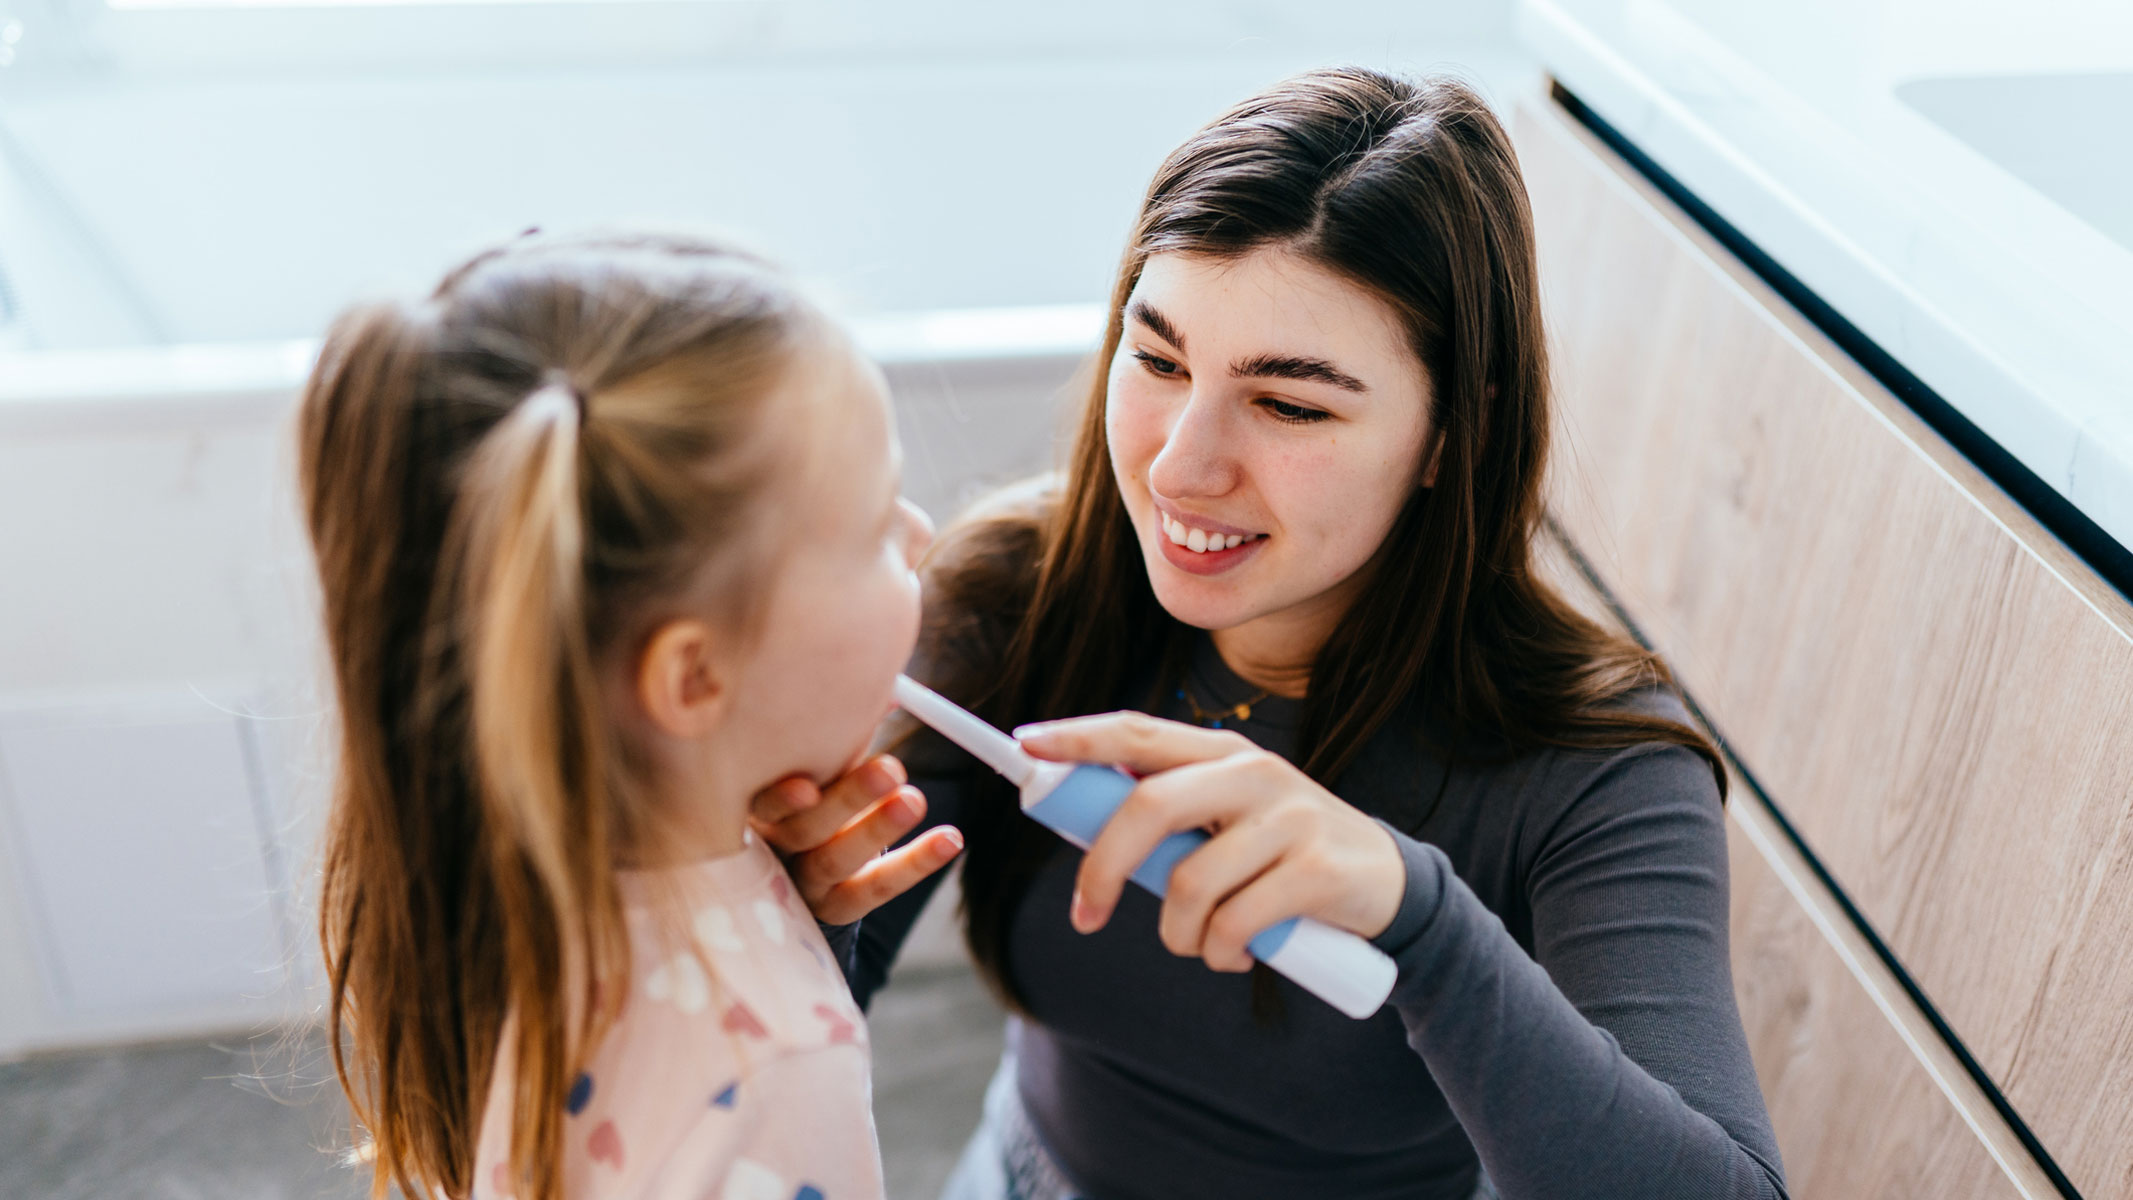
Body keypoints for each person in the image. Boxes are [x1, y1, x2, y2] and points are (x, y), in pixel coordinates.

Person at [760, 70, 1790, 1199]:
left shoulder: (1596, 768)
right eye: (1157, 361)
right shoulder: (1013, 600)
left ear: (1458, 430)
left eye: (1290, 403)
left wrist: (1426, 928)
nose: (1179, 467)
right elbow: (755, 1064)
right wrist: (790, 913)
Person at [296, 231, 960, 1200]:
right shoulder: (778, 1066)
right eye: (873, 526)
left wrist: (805, 931)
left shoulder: (494, 878)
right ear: (692, 679)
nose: (921, 532)